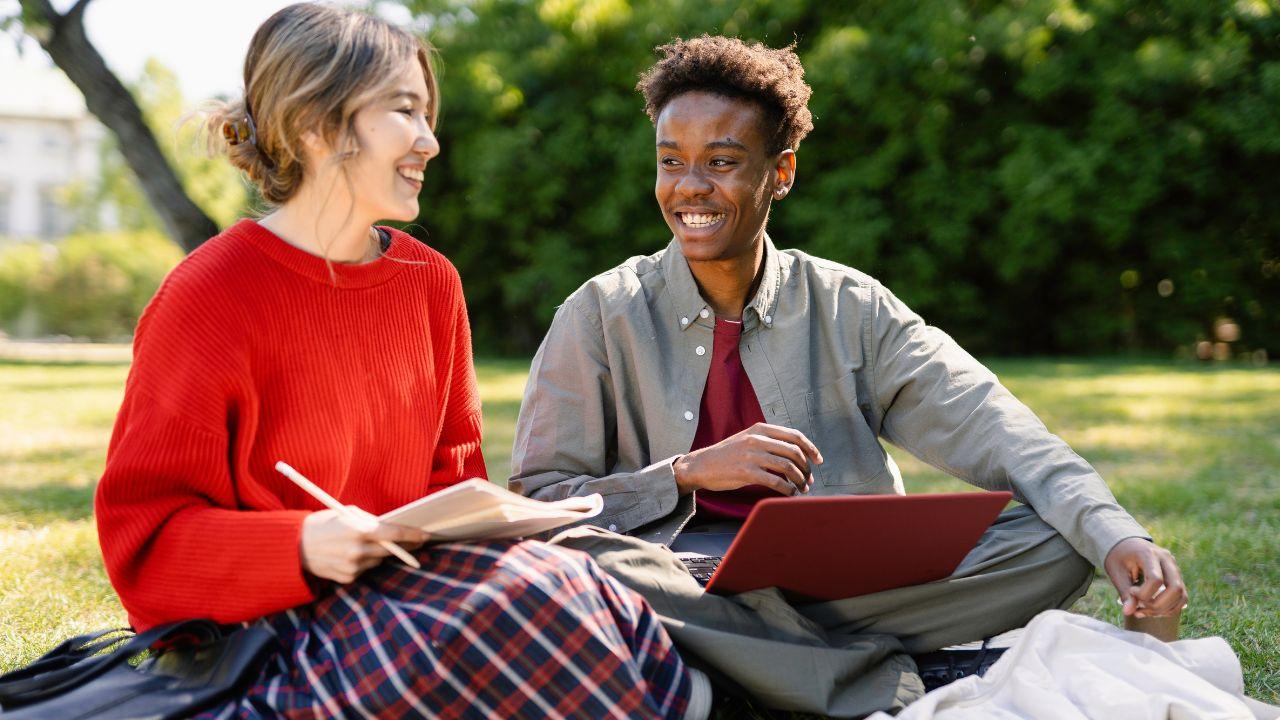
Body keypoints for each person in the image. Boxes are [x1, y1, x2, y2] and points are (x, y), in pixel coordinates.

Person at [511, 35, 1189, 717]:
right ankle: (877, 673)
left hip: (839, 585)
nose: (691, 186)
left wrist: (1114, 534)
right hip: (673, 576)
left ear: (781, 173)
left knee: (1056, 540)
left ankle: (737, 663)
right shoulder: (599, 313)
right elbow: (539, 504)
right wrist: (685, 474)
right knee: (573, 560)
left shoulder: (850, 306)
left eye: (721, 162)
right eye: (671, 162)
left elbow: (994, 425)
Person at [94, 5, 700, 718]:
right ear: (313, 126)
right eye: (405, 112)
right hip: (258, 636)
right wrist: (300, 544)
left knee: (576, 579)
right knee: (518, 608)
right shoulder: (206, 298)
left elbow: (457, 490)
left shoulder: (430, 283)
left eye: (426, 114)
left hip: (408, 597)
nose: (430, 142)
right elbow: (147, 545)